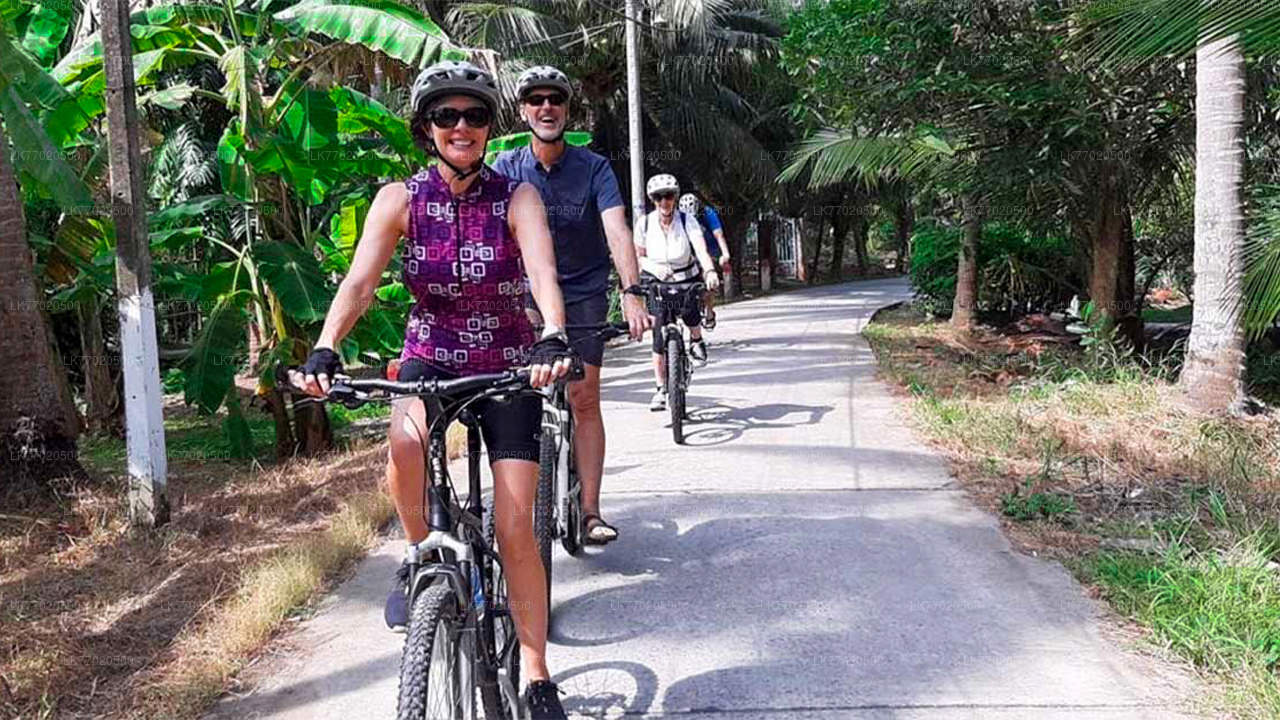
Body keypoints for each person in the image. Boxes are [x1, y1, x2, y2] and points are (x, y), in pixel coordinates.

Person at [292, 60, 573, 719]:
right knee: (406, 440)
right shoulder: (400, 199)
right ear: (426, 128)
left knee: (514, 528)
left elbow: (540, 269)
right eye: (447, 116)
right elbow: (360, 283)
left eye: (474, 115)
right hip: (430, 352)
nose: (462, 126)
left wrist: (553, 334)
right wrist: (327, 344)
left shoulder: (516, 198)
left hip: (508, 363)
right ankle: (421, 551)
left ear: (488, 127)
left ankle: (535, 673)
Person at [492, 65, 651, 547]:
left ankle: (589, 512)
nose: (546, 107)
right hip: (523, 299)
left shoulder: (595, 168)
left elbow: (617, 231)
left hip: (582, 295)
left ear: (566, 110)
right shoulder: (504, 169)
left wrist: (631, 290)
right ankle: (513, 511)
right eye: (536, 100)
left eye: (554, 100)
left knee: (584, 399)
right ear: (522, 111)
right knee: (512, 401)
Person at [635, 175, 719, 410]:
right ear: (653, 200)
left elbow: (700, 249)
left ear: (675, 198)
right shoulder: (644, 223)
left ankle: (696, 340)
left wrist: (710, 270)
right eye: (659, 197)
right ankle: (661, 388)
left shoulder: (687, 220)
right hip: (656, 279)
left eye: (669, 196)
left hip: (686, 276)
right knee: (659, 335)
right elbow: (638, 256)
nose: (665, 202)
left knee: (691, 309)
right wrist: (654, 269)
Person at [678, 193, 731, 330]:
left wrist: (725, 254)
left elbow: (718, 235)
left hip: (710, 249)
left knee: (708, 281)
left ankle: (709, 308)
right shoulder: (679, 218)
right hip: (690, 251)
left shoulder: (708, 213)